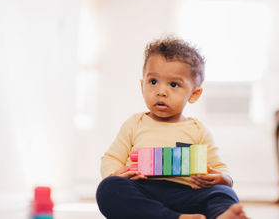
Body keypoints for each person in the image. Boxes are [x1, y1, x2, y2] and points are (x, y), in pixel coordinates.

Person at [96, 36, 248, 219]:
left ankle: (220, 216)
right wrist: (115, 174)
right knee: (108, 188)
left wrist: (222, 179)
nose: (161, 91)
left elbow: (220, 169)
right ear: (142, 85)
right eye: (153, 82)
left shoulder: (198, 129)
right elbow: (111, 157)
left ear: (194, 94)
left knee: (224, 193)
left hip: (187, 193)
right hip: (144, 193)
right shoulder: (134, 124)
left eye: (174, 84)